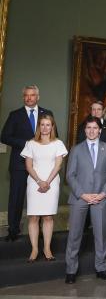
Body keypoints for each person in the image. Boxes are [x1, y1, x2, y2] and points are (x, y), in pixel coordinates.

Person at [64, 117, 106, 284]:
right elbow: (70, 175)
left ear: (100, 130)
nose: (92, 131)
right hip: (80, 198)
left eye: (95, 128)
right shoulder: (76, 149)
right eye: (88, 128)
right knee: (74, 235)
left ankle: (101, 268)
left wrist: (103, 193)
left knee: (100, 235)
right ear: (85, 130)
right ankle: (71, 270)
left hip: (100, 198)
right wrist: (83, 194)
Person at [1, 85, 54, 242]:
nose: (29, 98)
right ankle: (13, 230)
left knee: (40, 197)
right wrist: (26, 143)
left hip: (42, 165)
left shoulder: (47, 113)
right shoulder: (15, 115)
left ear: (38, 97)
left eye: (32, 95)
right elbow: (4, 137)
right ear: (23, 97)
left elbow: (54, 135)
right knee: (16, 198)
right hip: (19, 164)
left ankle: (40, 231)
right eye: (26, 95)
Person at [21, 113, 66, 262]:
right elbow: (28, 166)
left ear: (52, 127)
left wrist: (47, 182)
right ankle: (34, 249)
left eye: (48, 125)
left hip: (51, 183)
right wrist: (40, 181)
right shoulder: (31, 143)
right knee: (33, 217)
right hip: (34, 183)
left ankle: (47, 248)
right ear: (39, 127)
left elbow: (58, 165)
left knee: (48, 216)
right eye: (42, 125)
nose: (45, 128)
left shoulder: (58, 143)